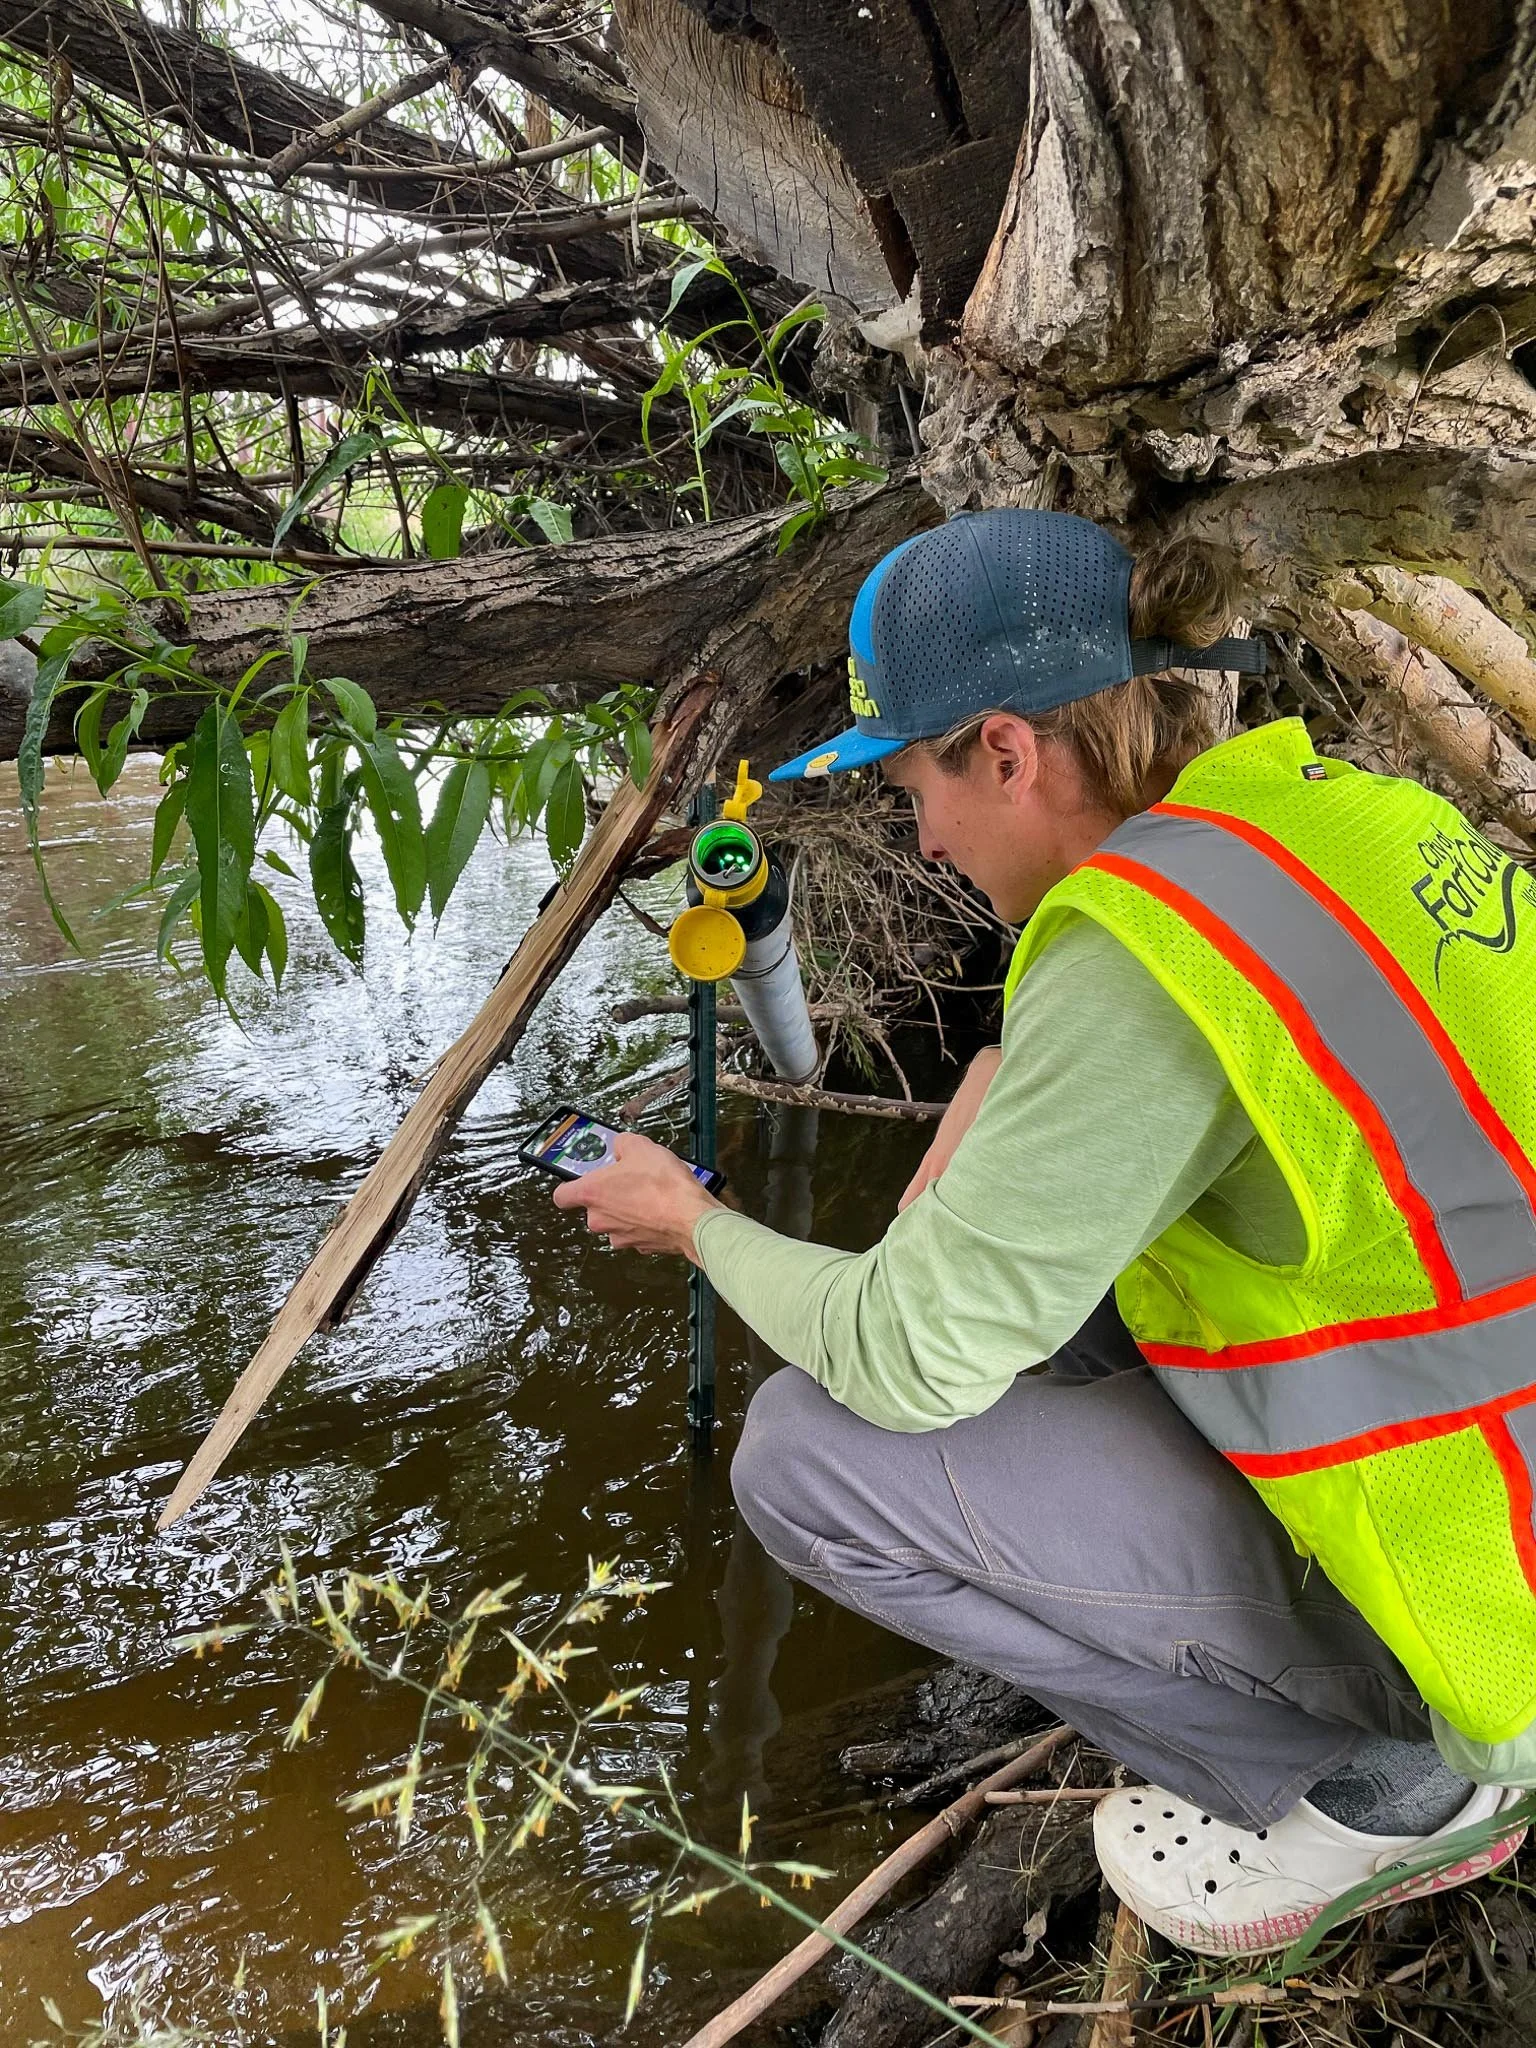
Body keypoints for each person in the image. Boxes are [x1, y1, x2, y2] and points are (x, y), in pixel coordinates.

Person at [553, 508, 1534, 1955]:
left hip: (1487, 1596)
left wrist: (693, 1220)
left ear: (1007, 752)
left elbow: (904, 1361)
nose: (926, 836)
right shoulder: (1344, 815)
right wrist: (1009, 1069)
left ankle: (1394, 1780)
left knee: (805, 1456)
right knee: (1044, 1284)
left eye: (913, 791)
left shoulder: (1135, 957)